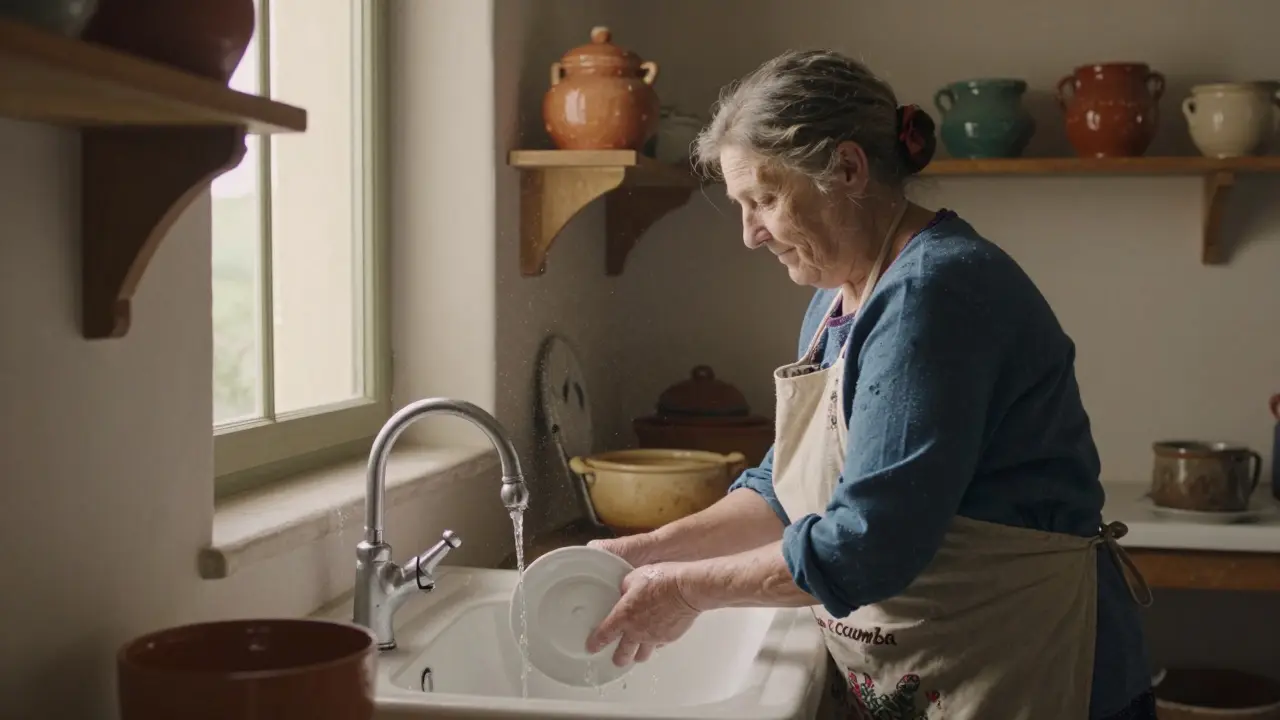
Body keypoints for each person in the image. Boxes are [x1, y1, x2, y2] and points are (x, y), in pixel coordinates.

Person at [585, 50, 1157, 720]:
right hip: (952, 666)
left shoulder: (935, 295)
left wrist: (684, 590)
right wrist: (641, 553)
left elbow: (866, 547)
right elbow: (783, 490)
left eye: (764, 199)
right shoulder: (840, 298)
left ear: (849, 169)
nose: (749, 234)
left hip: (1035, 667)